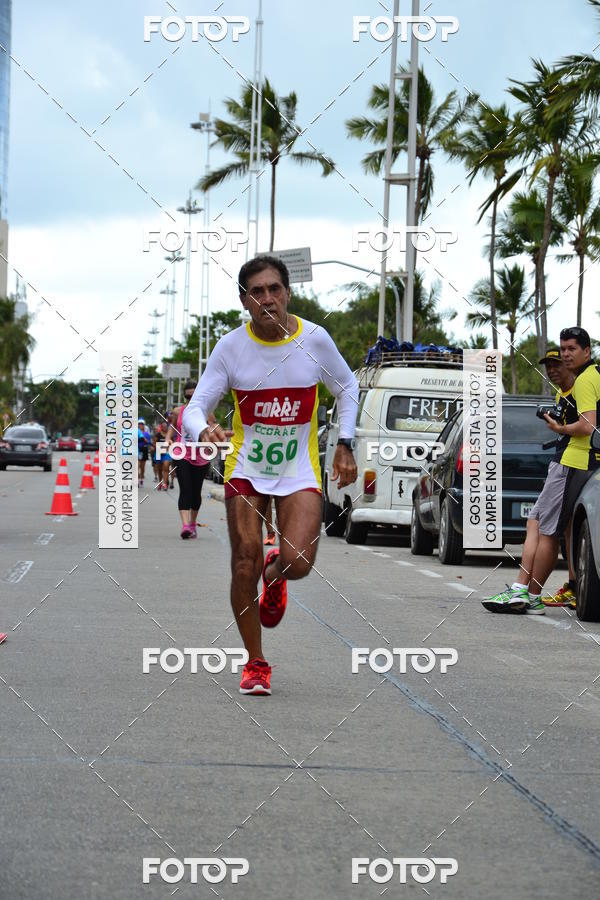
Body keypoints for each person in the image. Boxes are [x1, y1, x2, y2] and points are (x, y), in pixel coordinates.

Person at [183, 254, 358, 695]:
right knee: (243, 560)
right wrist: (203, 429)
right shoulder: (230, 348)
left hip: (298, 469)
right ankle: (255, 662)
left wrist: (345, 442)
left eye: (274, 289)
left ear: (288, 294)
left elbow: (347, 386)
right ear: (244, 301)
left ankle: (276, 575)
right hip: (247, 467)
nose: (267, 299)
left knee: (298, 562)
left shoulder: (314, 340)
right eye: (256, 292)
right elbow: (195, 407)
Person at [483, 328, 600, 614]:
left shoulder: (586, 379)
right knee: (538, 523)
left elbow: (588, 425)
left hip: (573, 461)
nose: (566, 355)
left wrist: (560, 428)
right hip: (574, 461)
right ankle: (526, 589)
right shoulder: (591, 376)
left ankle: (529, 594)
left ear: (587, 351)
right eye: (563, 349)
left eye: (572, 349)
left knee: (547, 530)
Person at [165, 381, 212, 539]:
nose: (190, 399)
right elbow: (172, 427)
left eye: (193, 396)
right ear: (184, 396)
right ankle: (185, 526)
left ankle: (192, 523)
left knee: (195, 491)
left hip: (201, 455)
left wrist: (211, 441)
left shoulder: (206, 411)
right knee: (185, 489)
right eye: (187, 396)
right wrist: (168, 439)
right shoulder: (178, 411)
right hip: (182, 453)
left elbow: (212, 429)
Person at [137, 419, 151, 486]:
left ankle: (141, 478)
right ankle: (137, 479)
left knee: (142, 466)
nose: (140, 425)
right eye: (139, 424)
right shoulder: (136, 432)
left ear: (144, 425)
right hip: (137, 449)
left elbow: (149, 442)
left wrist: (145, 440)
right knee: (137, 465)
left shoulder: (146, 434)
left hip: (144, 449)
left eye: (142, 424)